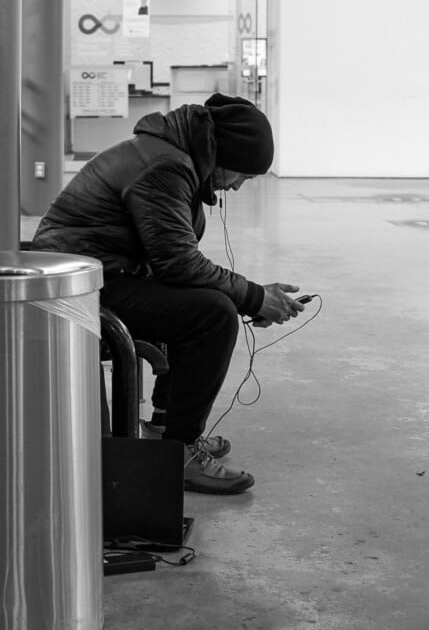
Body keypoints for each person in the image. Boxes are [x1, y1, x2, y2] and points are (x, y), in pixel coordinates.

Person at [32, 93, 305, 495]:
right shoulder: (166, 167)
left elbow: (174, 262)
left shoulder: (174, 159)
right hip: (75, 287)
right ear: (224, 155)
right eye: (244, 175)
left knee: (199, 303)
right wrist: (253, 297)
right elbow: (179, 263)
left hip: (99, 274)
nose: (241, 186)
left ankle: (163, 428)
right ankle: (180, 452)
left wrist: (253, 296)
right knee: (213, 314)